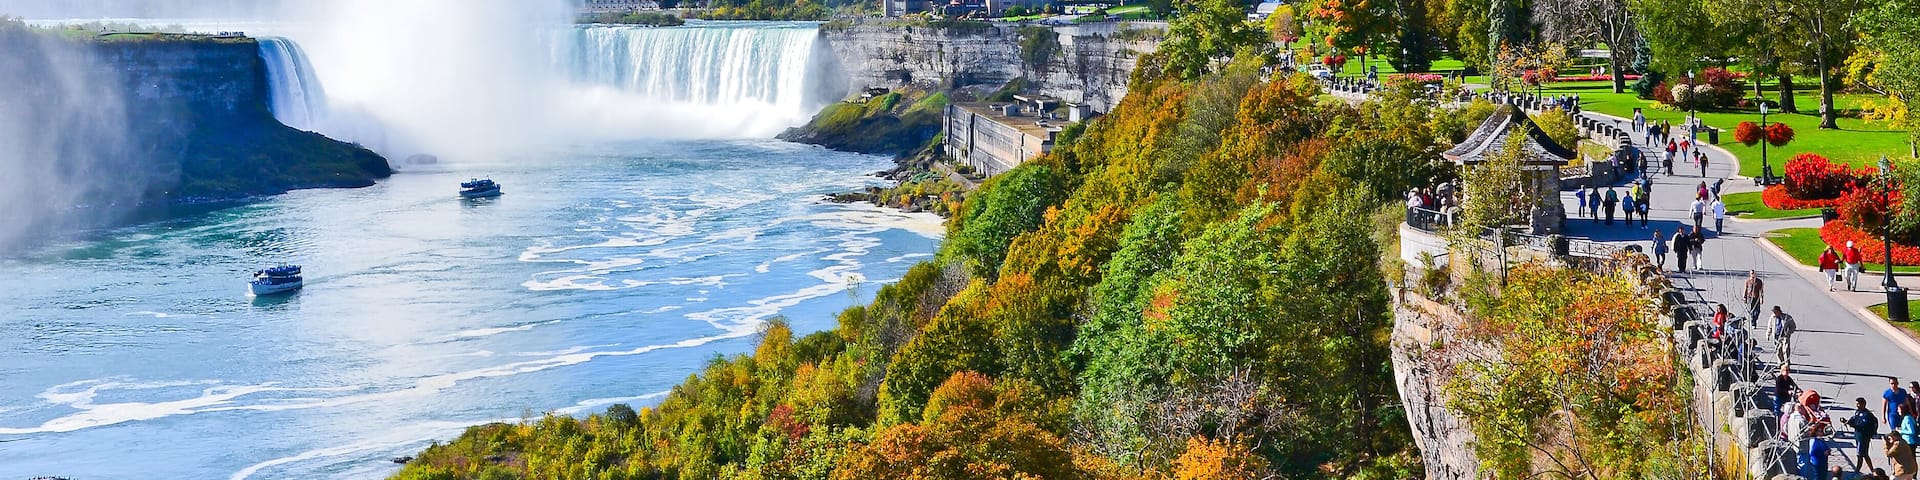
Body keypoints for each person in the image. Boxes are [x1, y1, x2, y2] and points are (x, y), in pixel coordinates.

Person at [1858, 397, 1884, 473]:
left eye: (1858, 404)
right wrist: (1847, 422)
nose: (1857, 406)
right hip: (1858, 436)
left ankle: (1857, 470)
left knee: (1860, 454)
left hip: (1864, 437)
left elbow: (1862, 425)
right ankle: (1872, 470)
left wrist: (1853, 425)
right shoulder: (1857, 412)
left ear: (1863, 404)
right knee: (1863, 454)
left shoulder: (1867, 415)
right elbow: (1854, 420)